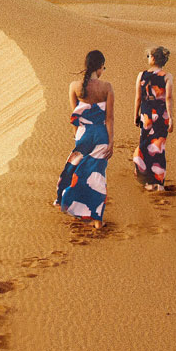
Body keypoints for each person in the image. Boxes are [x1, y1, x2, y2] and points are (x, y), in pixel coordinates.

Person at [56, 49, 113, 226]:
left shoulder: (74, 86)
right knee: (96, 176)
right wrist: (111, 141)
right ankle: (96, 219)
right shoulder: (107, 87)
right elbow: (109, 117)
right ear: (100, 66)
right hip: (101, 135)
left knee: (77, 171)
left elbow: (75, 117)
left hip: (83, 134)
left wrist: (77, 137)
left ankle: (73, 205)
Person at [133, 47, 173, 192]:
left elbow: (138, 97)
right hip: (162, 114)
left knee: (145, 145)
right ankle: (160, 183)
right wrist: (172, 118)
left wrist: (135, 115)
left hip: (146, 114)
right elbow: (168, 98)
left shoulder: (141, 75)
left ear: (154, 58)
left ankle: (148, 182)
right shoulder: (167, 76)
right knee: (159, 147)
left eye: (149, 56)